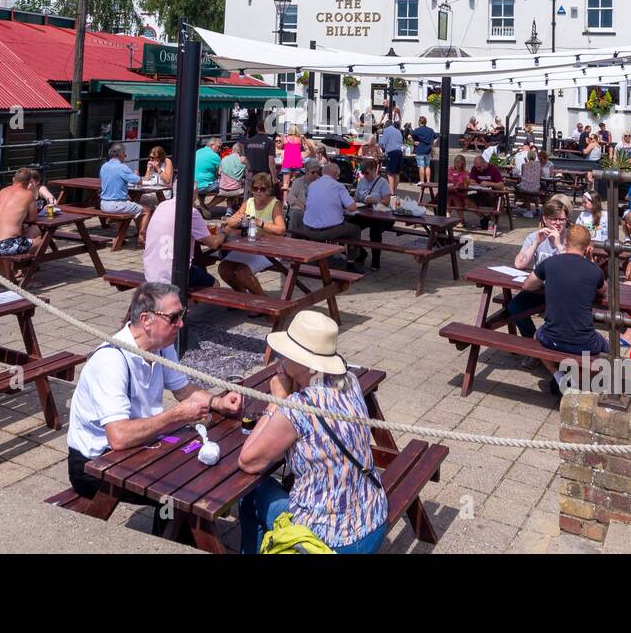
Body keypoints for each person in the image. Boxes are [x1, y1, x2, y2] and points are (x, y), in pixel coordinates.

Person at [65, 283, 242, 500]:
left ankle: (174, 529)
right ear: (146, 320)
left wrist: (218, 402)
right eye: (174, 317)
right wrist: (175, 415)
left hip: (136, 445)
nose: (181, 323)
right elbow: (118, 438)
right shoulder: (111, 361)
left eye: (182, 314)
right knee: (185, 488)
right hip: (94, 464)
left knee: (198, 472)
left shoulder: (160, 344)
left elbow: (183, 389)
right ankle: (176, 528)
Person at [237, 311, 388, 553]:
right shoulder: (349, 380)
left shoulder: (297, 409)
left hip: (329, 541)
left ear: (304, 362)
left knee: (251, 493)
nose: (281, 358)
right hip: (373, 520)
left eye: (287, 353)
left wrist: (277, 401)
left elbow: (249, 461)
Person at [514, 225, 607, 364]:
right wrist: (591, 260)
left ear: (565, 242)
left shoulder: (550, 263)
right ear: (588, 247)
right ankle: (585, 378)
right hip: (585, 342)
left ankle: (558, 377)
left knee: (536, 337)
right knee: (607, 347)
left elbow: (527, 285)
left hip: (551, 338)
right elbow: (603, 290)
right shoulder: (594, 270)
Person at [505, 200, 569, 330]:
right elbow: (519, 264)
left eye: (561, 219)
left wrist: (558, 244)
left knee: (557, 320)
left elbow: (572, 267)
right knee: (514, 307)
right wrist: (535, 244)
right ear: (545, 219)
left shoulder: (571, 238)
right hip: (539, 288)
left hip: (563, 292)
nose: (558, 223)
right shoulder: (535, 236)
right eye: (553, 219)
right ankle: (531, 340)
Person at [218, 175, 286, 295]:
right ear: (251, 189)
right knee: (224, 269)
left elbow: (281, 230)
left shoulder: (275, 204)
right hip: (249, 246)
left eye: (262, 189)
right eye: (255, 188)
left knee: (242, 272)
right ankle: (245, 297)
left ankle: (262, 303)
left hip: (270, 249)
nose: (258, 192)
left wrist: (260, 223)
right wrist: (237, 219)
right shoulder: (248, 202)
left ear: (269, 190)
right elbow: (229, 221)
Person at [143, 190, 225, 288]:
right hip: (172, 274)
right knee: (215, 284)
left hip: (151, 269)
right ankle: (183, 302)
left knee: (197, 271)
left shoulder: (162, 205)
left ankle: (185, 301)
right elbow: (213, 243)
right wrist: (226, 231)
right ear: (193, 194)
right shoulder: (190, 211)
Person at [295, 163, 366, 268]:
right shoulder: (338, 186)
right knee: (355, 229)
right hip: (329, 230)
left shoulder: (313, 185)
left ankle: (320, 258)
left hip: (308, 228)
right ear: (334, 174)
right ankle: (351, 263)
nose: (338, 177)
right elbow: (352, 207)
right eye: (338, 175)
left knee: (326, 222)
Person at [0, 168, 45, 257]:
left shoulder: (2, 191)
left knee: (2, 249)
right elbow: (33, 218)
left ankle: (7, 272)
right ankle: (23, 269)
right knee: (40, 242)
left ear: (13, 179)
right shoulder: (28, 195)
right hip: (6, 245)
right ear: (29, 182)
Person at [98, 145, 150, 243]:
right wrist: (139, 176)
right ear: (121, 154)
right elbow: (138, 181)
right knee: (146, 210)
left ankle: (121, 238)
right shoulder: (122, 167)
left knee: (128, 204)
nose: (125, 157)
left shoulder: (104, 166)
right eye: (124, 155)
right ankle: (142, 239)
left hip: (104, 204)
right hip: (116, 205)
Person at [286, 158, 324, 232]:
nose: (316, 174)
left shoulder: (321, 182)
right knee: (296, 215)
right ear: (306, 171)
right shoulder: (298, 182)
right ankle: (294, 236)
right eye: (313, 172)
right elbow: (290, 196)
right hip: (299, 209)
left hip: (315, 210)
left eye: (317, 172)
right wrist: (301, 205)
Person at [469, 153, 504, 230]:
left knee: (498, 201)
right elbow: (471, 181)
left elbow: (501, 185)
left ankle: (491, 221)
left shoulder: (493, 169)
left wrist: (489, 183)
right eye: (476, 167)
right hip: (481, 194)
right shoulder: (474, 169)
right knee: (466, 199)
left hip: (493, 196)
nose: (478, 169)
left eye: (479, 167)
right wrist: (479, 184)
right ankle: (484, 218)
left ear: (484, 163)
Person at [243, 122, 277, 187]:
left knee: (249, 194)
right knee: (262, 194)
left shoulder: (248, 142)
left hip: (251, 173)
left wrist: (251, 165)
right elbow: (271, 161)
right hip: (264, 175)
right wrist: (274, 177)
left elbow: (242, 160)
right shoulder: (270, 142)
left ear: (256, 129)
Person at [378, 118, 404, 194]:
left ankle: (391, 192)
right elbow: (401, 142)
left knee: (390, 173)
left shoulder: (386, 130)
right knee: (397, 173)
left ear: (385, 125)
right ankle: (395, 191)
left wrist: (382, 150)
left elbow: (381, 143)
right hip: (400, 152)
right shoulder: (398, 131)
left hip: (392, 153)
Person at [217, 141, 247, 206]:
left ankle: (229, 211)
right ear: (241, 152)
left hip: (222, 189)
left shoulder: (224, 159)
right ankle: (242, 208)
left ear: (232, 150)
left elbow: (219, 173)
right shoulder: (243, 161)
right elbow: (246, 175)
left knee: (230, 187)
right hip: (236, 190)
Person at [410, 116, 437, 185]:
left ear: (419, 122)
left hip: (420, 150)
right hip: (428, 150)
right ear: (426, 122)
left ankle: (422, 181)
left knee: (421, 166)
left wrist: (413, 142)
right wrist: (432, 145)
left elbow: (409, 136)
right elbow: (436, 138)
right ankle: (428, 181)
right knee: (427, 166)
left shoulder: (417, 130)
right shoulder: (430, 130)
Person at [280, 126, 306, 197]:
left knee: (285, 183)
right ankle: (292, 200)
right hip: (297, 162)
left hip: (287, 162)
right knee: (294, 183)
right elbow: (303, 148)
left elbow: (281, 146)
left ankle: (285, 201)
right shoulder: (299, 139)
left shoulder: (286, 139)